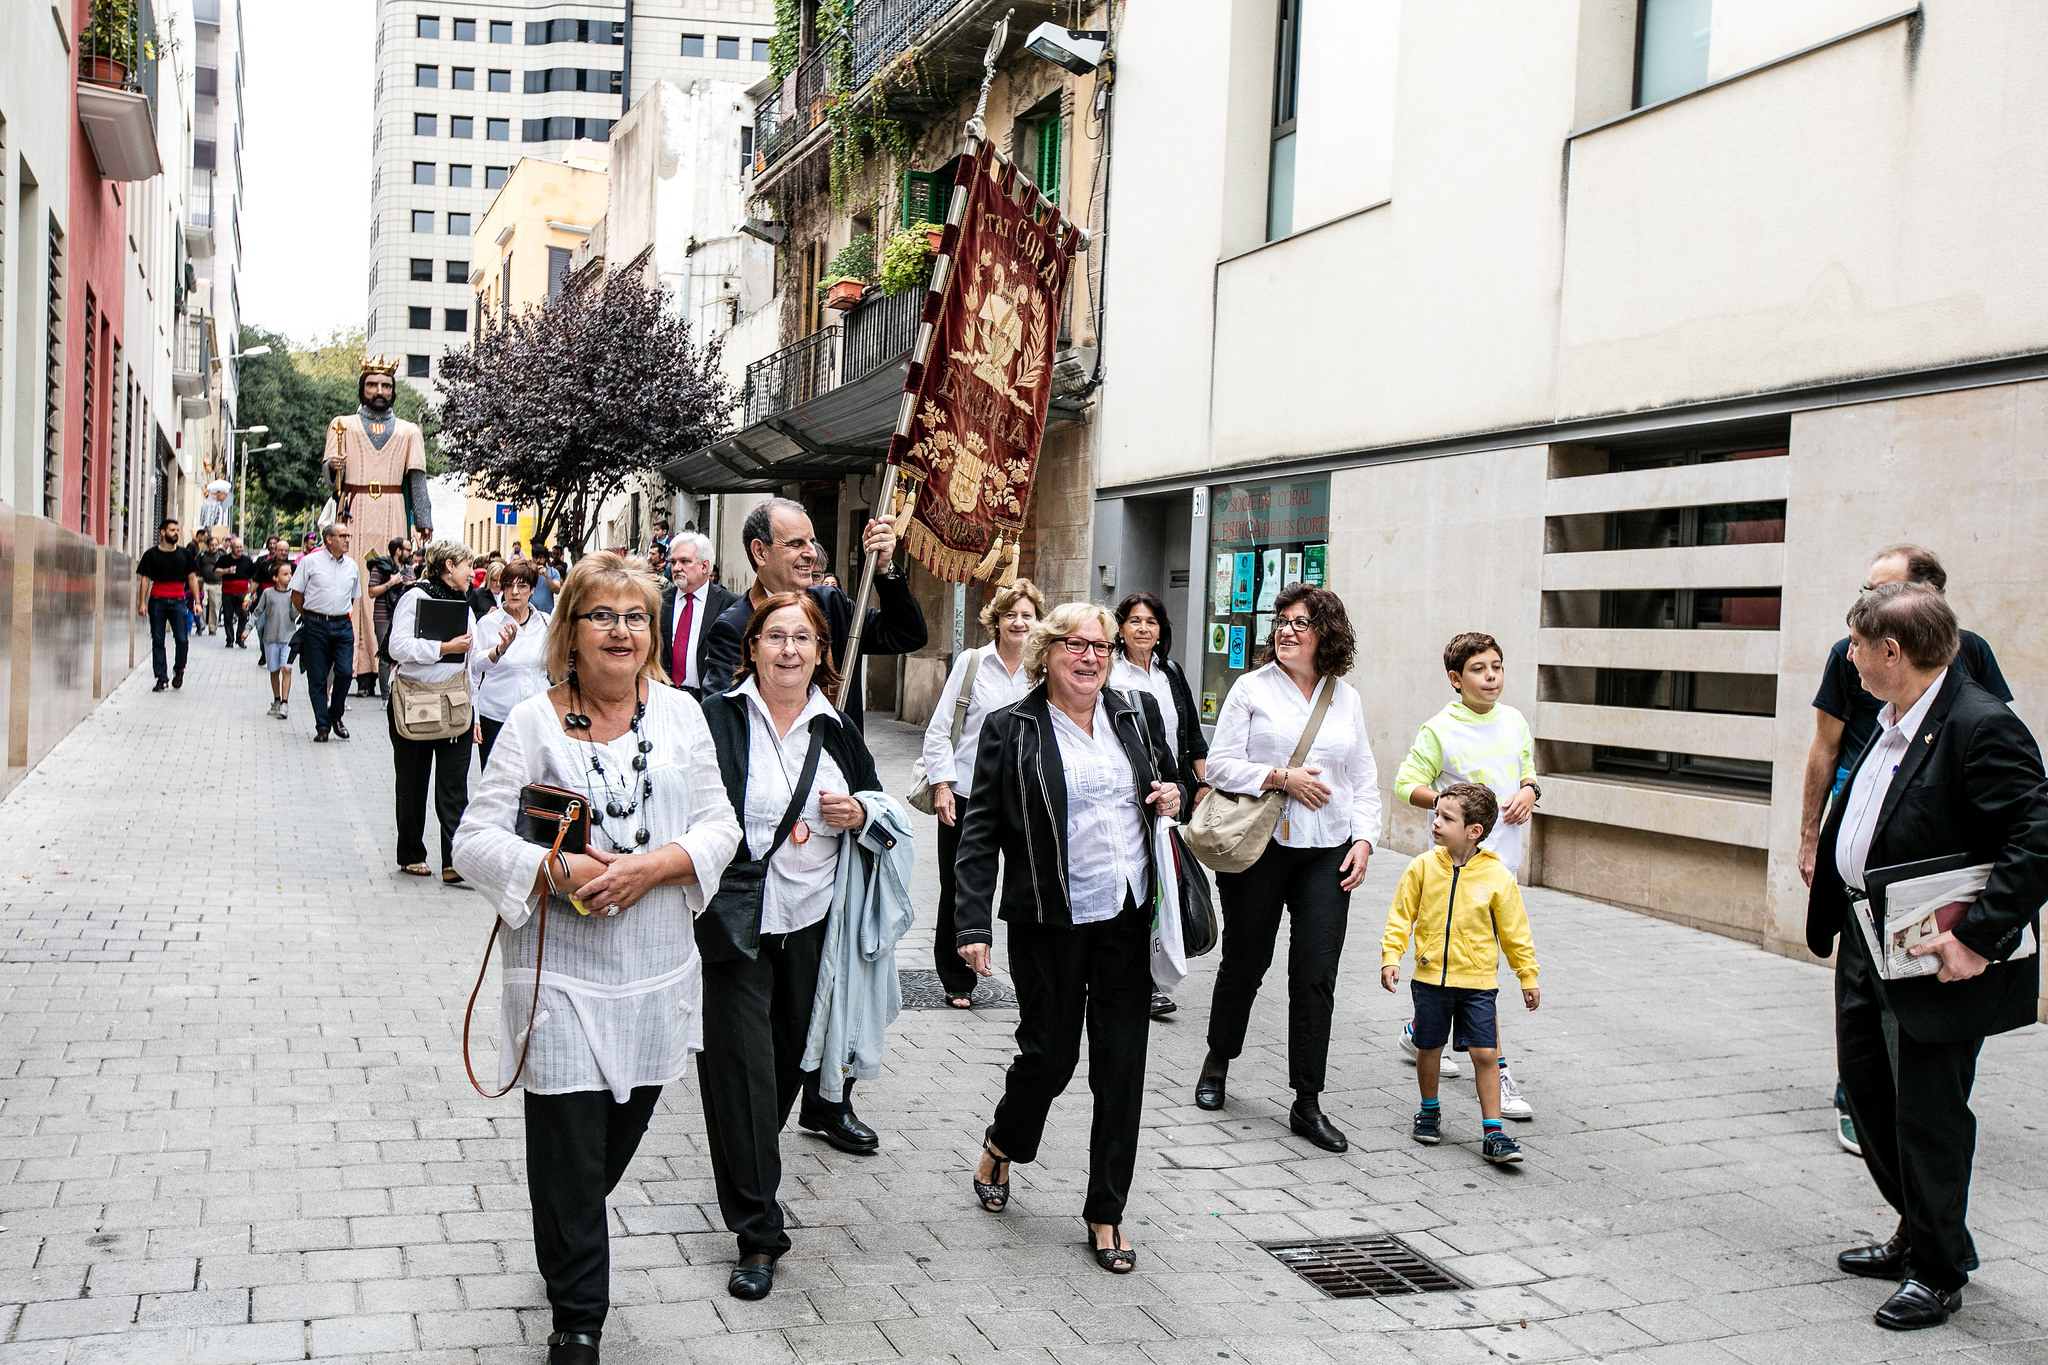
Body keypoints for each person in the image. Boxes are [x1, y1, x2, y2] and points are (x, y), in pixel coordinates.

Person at [452, 553, 742, 1365]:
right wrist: (555, 868)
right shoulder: (532, 723)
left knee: (596, 1154)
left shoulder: (683, 715)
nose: (622, 631)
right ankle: (578, 1321)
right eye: (603, 615)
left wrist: (654, 866)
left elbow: (721, 825)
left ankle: (565, 1223)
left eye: (636, 616)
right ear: (570, 631)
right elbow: (473, 839)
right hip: (561, 977)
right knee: (570, 1147)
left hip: (655, 975)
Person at [1808, 583, 2048, 1331]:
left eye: (1855, 645)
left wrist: (1977, 938)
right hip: (1868, 939)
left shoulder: (1981, 724)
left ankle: (1939, 1272)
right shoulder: (1890, 717)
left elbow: (2037, 838)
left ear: (1892, 651)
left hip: (1938, 954)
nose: (1847, 657)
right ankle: (1918, 1228)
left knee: (1929, 1112)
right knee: (1868, 1093)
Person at [953, 602, 1186, 1274]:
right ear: (1047, 652)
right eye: (1075, 645)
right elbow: (980, 829)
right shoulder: (1011, 727)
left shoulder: (1135, 713)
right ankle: (1003, 1142)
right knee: (1049, 1057)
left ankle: (1106, 1210)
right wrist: (971, 923)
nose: (1090, 657)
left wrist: (1174, 795)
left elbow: (1172, 784)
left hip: (1125, 913)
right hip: (1048, 917)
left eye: (1101, 647)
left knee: (1121, 1064)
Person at [697, 592, 900, 1301]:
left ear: (820, 653)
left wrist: (860, 811)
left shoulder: (835, 728)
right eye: (775, 636)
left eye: (803, 638)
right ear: (751, 646)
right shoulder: (717, 718)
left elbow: (883, 806)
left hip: (814, 922)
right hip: (736, 922)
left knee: (786, 1064)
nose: (789, 649)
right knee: (740, 1071)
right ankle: (758, 1231)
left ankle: (750, 1153)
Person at [1798, 545, 2013, 1155]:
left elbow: (2002, 790)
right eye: (1865, 591)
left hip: (1925, 885)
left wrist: (1979, 933)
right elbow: (1825, 747)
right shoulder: (1855, 661)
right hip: (1861, 884)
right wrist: (1813, 838)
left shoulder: (1971, 677)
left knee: (1923, 1051)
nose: (1864, 605)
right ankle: (1865, 1106)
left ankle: (1922, 1156)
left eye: (1879, 591)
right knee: (1865, 1031)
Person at [1192, 585, 1381, 1153]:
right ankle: (1218, 1060)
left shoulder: (1345, 698)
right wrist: (1280, 777)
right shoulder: (1251, 688)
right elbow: (1219, 766)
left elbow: (1363, 777)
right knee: (1246, 962)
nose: (1286, 630)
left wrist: (1365, 840)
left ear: (1327, 633)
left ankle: (1307, 1101)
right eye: (1282, 621)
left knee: (1316, 974)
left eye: (1301, 622)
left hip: (1327, 851)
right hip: (1261, 849)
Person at [1391, 632, 1540, 1115]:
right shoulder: (1440, 729)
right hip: (1454, 871)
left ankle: (1418, 1031)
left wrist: (1530, 791)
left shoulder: (1514, 720)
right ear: (1456, 679)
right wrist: (1450, 804)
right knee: (1479, 973)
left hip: (1502, 866)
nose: (1491, 677)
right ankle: (1498, 1070)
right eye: (1479, 669)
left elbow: (1527, 768)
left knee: (1477, 965)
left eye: (1496, 666)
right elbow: (1405, 784)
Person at [1381, 784, 1540, 1165]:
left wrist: (1527, 976)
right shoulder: (1422, 867)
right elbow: (1401, 916)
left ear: (1474, 831)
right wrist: (1391, 956)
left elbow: (1515, 932)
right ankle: (1429, 1110)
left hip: (1478, 984)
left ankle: (1493, 1132)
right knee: (1429, 1047)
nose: (1435, 823)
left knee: (1486, 1053)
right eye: (1436, 815)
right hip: (1430, 979)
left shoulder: (1497, 876)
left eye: (1446, 818)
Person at [701, 497, 927, 729]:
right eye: (796, 544)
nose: (812, 553)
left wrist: (884, 568)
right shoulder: (733, 627)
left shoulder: (832, 604)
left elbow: (907, 634)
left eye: (812, 542)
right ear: (760, 552)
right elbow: (723, 721)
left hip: (838, 750)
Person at [922, 580, 1042, 1009]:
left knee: (1029, 888)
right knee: (959, 886)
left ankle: (1033, 978)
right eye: (1010, 614)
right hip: (968, 795)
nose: (1019, 622)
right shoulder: (973, 662)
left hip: (1026, 798)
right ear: (997, 620)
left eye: (1027, 615)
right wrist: (942, 786)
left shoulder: (1044, 670)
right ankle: (957, 979)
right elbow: (939, 731)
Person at [1108, 590, 1209, 1020]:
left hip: (1172, 790)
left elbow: (1191, 735)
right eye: (1134, 621)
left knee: (1163, 878)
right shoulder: (1111, 672)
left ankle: (1152, 967)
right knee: (1140, 880)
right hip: (1130, 791)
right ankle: (1141, 980)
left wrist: (1202, 784)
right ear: (1120, 628)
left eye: (1151, 622)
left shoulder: (1170, 673)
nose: (1143, 629)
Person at [323, 355, 432, 682]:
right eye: (372, 385)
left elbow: (417, 479)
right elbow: (331, 483)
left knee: (391, 588)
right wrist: (333, 468)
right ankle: (353, 666)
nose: (379, 391)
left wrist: (424, 519)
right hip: (353, 511)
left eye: (385, 385)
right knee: (355, 585)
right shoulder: (342, 426)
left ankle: (386, 666)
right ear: (363, 388)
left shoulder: (410, 431)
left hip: (392, 511)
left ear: (393, 389)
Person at [388, 540, 478, 882]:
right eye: (468, 565)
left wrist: (498, 651)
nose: (473, 573)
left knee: (454, 787)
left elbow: (472, 664)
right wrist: (444, 647)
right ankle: (411, 853)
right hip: (416, 703)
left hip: (456, 703)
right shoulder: (415, 596)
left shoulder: (464, 604)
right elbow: (397, 647)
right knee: (413, 784)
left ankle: (454, 862)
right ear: (449, 566)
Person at [470, 559, 551, 765]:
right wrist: (499, 650)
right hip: (496, 717)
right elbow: (474, 668)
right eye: (509, 585)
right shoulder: (488, 623)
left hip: (537, 717)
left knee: (536, 779)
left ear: (532, 590)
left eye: (522, 586)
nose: (514, 592)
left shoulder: (544, 621)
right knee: (497, 780)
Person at [289, 522, 361, 742]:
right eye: (342, 536)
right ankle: (322, 726)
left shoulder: (352, 566)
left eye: (348, 536)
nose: (347, 540)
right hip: (316, 624)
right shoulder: (310, 562)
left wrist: (338, 613)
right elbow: (296, 595)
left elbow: (352, 597)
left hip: (342, 624)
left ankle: (335, 715)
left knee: (345, 672)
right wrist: (310, 617)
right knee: (317, 677)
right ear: (329, 539)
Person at [658, 532, 738, 698]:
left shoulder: (730, 605)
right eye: (673, 562)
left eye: (684, 561)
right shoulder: (659, 602)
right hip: (665, 697)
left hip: (709, 700)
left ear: (704, 566)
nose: (676, 568)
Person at [136, 518, 201, 693]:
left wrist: (197, 602)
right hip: (157, 600)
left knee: (182, 639)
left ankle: (179, 670)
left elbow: (192, 578)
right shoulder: (151, 555)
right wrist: (142, 602)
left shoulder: (185, 555)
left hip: (179, 600)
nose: (176, 533)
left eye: (177, 530)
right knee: (158, 639)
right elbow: (145, 579)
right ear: (163, 532)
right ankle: (161, 677)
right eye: (172, 530)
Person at [367, 538, 417, 700]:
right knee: (385, 656)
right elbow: (372, 592)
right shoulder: (380, 567)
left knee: (402, 655)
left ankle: (399, 693)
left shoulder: (409, 570)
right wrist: (391, 582)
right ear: (398, 551)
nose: (411, 553)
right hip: (383, 616)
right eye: (408, 550)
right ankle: (385, 696)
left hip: (403, 616)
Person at [250, 559, 299, 718]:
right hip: (271, 638)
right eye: (285, 574)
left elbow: (294, 615)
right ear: (275, 578)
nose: (289, 577)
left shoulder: (293, 594)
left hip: (288, 638)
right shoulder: (268, 593)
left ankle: (285, 703)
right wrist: (247, 629)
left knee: (287, 669)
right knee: (274, 671)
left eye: (290, 574)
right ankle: (276, 700)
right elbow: (258, 612)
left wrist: (296, 600)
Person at [217, 536, 255, 648]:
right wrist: (227, 570)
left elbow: (252, 579)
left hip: (243, 593)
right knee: (228, 617)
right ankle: (229, 639)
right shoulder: (224, 559)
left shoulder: (247, 561)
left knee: (243, 615)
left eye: (241, 547)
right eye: (237, 547)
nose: (239, 549)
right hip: (227, 593)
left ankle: (240, 638)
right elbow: (216, 570)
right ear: (231, 547)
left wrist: (252, 593)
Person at [192, 527, 225, 636]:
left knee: (215, 606)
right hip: (204, 583)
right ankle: (201, 625)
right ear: (208, 545)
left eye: (216, 545)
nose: (214, 547)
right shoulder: (202, 555)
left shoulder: (221, 556)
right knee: (202, 603)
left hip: (217, 584)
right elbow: (196, 568)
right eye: (212, 545)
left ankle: (212, 628)